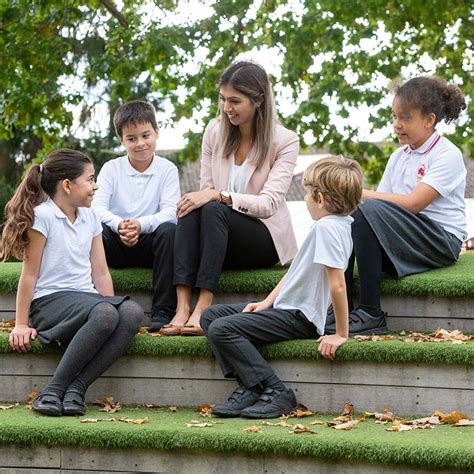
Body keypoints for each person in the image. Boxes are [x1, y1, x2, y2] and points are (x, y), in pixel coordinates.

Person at [200, 156, 363, 418]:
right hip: (285, 309)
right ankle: (250, 387)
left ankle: (276, 391)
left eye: (309, 194)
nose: (307, 199)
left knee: (222, 328)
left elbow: (339, 285)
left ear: (320, 199)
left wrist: (341, 333)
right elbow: (295, 272)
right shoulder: (330, 226)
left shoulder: (328, 230)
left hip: (299, 317)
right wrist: (267, 302)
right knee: (211, 316)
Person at [0, 149, 144, 416]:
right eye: (90, 179)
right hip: (49, 303)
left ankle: (77, 388)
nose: (95, 186)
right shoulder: (42, 217)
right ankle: (53, 390)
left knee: (132, 311)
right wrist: (21, 323)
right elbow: (29, 274)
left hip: (86, 301)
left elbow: (100, 272)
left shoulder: (91, 217)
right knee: (103, 312)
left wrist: (112, 306)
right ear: (67, 185)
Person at [162, 60, 299, 336]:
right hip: (218, 236)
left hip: (264, 238)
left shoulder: (285, 140)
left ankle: (204, 307)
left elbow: (269, 203)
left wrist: (222, 196)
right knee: (192, 205)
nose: (227, 108)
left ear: (258, 100)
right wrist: (210, 196)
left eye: (235, 101)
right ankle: (181, 307)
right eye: (223, 99)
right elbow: (204, 191)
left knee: (214, 207)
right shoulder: (214, 131)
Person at [325, 76, 467, 336]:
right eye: (394, 116)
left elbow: (413, 204)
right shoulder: (398, 156)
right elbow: (376, 209)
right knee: (348, 214)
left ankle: (370, 313)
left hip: (440, 240)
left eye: (405, 118)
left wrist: (356, 191)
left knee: (363, 208)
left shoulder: (448, 154)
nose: (396, 125)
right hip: (408, 236)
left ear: (429, 120)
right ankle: (337, 309)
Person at [92, 100, 180, 332]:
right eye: (131, 138)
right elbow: (97, 207)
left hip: (151, 246)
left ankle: (163, 309)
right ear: (122, 140)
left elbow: (171, 212)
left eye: (146, 135)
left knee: (170, 231)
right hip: (116, 243)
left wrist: (140, 225)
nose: (140, 143)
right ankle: (94, 301)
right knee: (95, 228)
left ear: (157, 132)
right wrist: (120, 224)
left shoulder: (167, 169)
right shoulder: (111, 168)